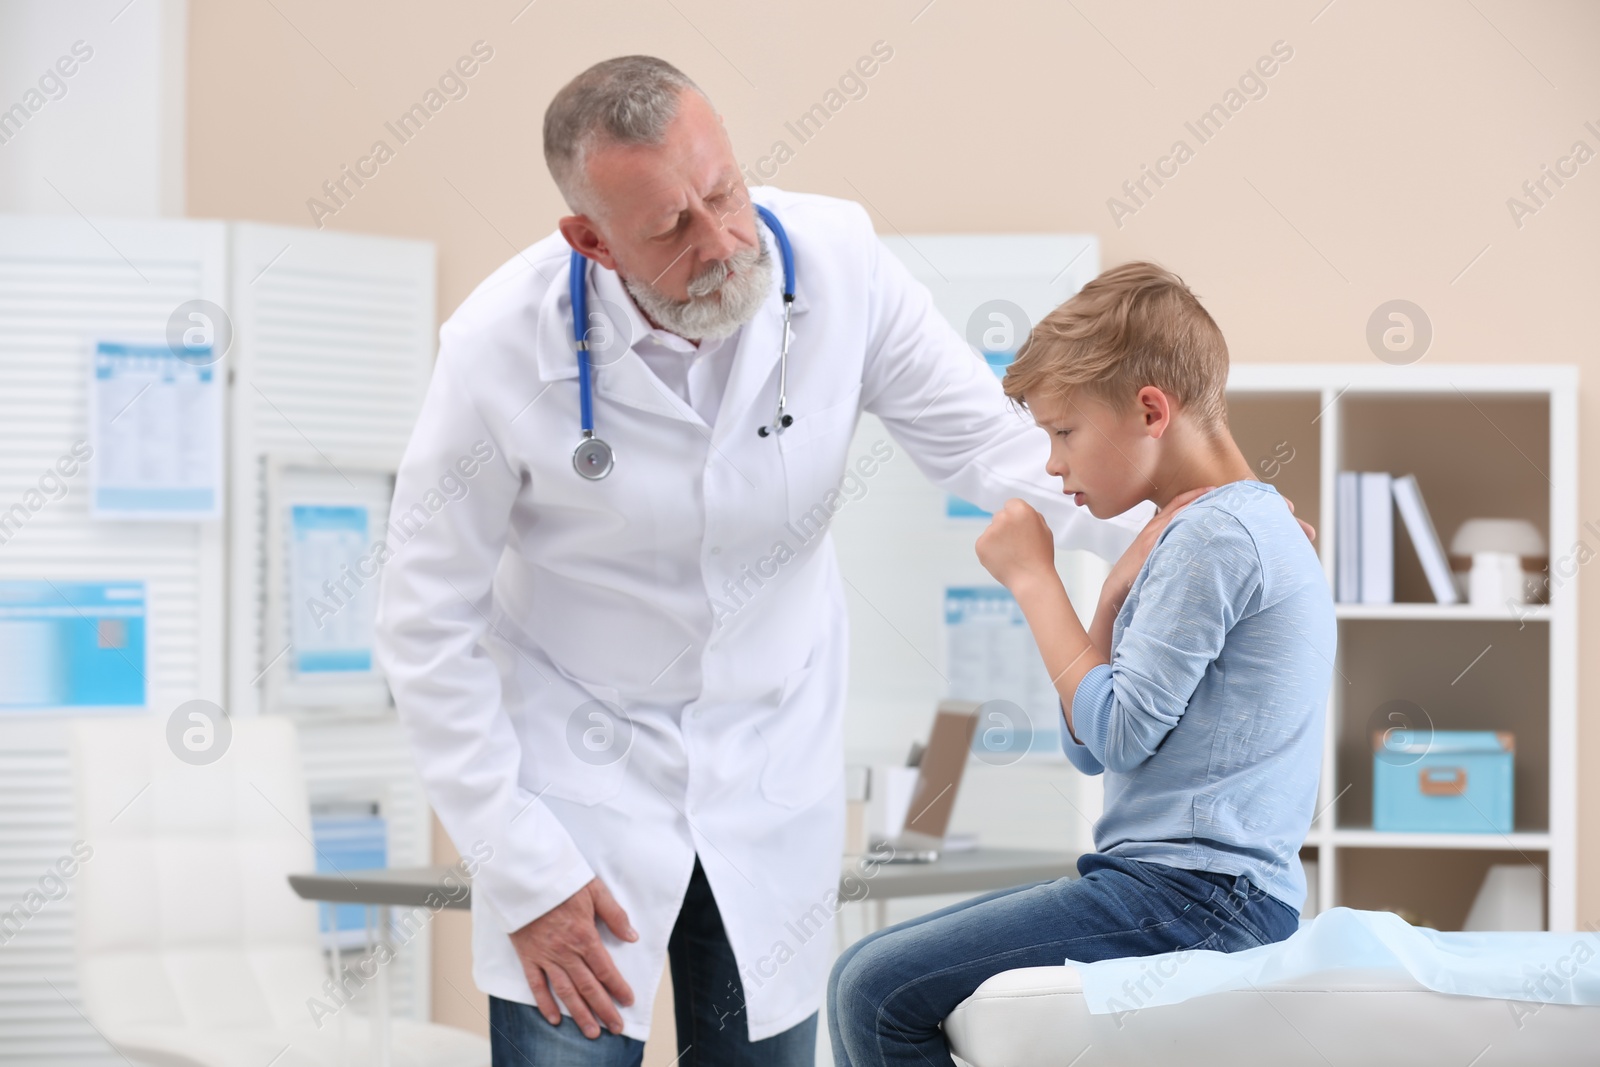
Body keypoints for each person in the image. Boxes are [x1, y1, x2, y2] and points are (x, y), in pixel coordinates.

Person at [373, 56, 1217, 1067]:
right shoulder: (497, 348)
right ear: (590, 240)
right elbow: (424, 624)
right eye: (670, 228)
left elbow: (997, 451)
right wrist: (521, 864)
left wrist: (1206, 528)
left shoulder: (837, 263)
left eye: (722, 192)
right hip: (577, 786)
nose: (722, 241)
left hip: (767, 770)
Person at [827, 261, 1336, 1067]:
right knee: (862, 974)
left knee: (875, 992)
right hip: (1177, 887)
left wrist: (1035, 580)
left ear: (1149, 410)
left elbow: (1119, 732)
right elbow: (1088, 742)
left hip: (1198, 896)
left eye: (1064, 432)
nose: (1054, 465)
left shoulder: (1215, 536)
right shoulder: (1206, 529)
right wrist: (1107, 605)